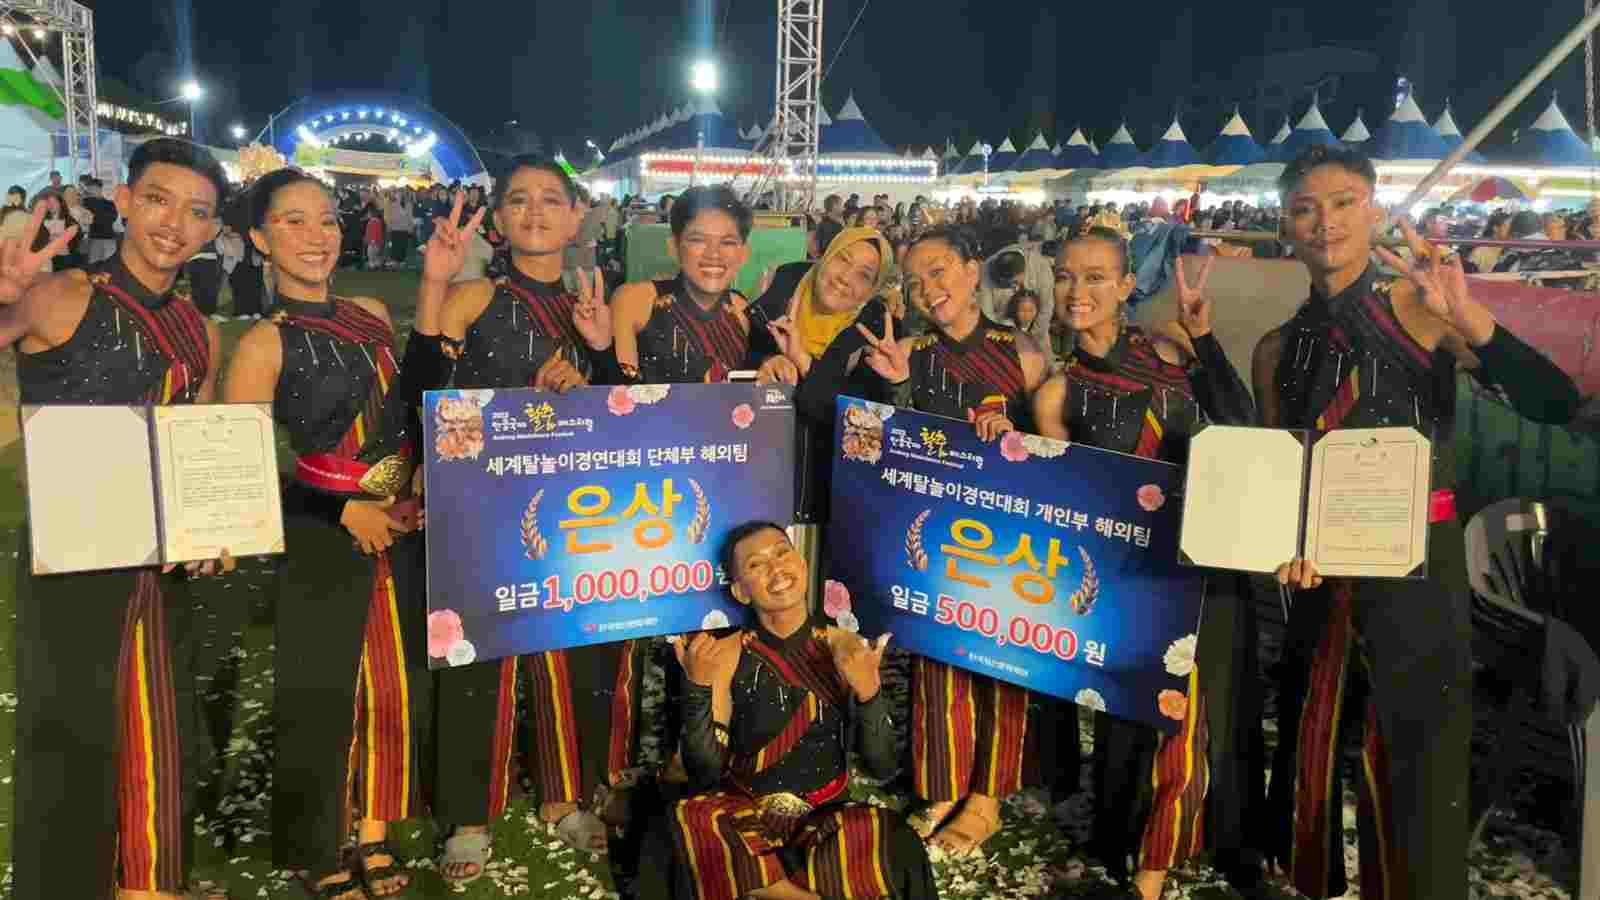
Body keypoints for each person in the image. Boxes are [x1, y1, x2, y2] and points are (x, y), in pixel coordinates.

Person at [1256, 146, 1580, 900]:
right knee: (1310, 737)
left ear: (1373, 210)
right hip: (1317, 574)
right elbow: (1279, 469)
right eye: (1306, 207)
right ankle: (1308, 881)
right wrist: (1283, 545)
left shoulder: (1418, 312)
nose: (1325, 221)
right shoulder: (1278, 347)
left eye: (1343, 203)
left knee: (1418, 759)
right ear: (1286, 225)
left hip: (1414, 571)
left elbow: (1555, 403)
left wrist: (1470, 316)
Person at [2, 137, 233, 900]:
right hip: (70, 557)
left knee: (163, 733)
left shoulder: (201, 327)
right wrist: (5, 298)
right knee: (68, 736)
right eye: (160, 200)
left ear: (213, 231)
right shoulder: (64, 295)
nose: (176, 223)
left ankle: (151, 882)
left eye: (198, 212)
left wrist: (211, 528)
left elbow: (196, 440)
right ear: (126, 202)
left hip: (160, 560)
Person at [798, 225, 1049, 856]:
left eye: (938, 272)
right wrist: (895, 387)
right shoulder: (905, 348)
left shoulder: (1024, 353)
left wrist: (1009, 430)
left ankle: (987, 797)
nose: (927, 289)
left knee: (1001, 660)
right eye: (914, 281)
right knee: (936, 658)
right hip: (931, 534)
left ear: (972, 270)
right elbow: (859, 431)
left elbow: (1053, 453)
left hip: (1005, 536)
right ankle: (942, 784)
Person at [1031, 230, 1261, 899]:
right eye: (1068, 276)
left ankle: (1215, 840)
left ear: (1128, 285)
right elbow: (1070, 501)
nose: (1080, 292)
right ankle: (1133, 843)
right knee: (1136, 711)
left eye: (1098, 277)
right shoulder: (1056, 392)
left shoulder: (1172, 349)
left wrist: (1207, 338)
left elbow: (1241, 420)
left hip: (1211, 549)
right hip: (1130, 567)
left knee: (1212, 706)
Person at [410, 156, 620, 886]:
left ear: (577, 216)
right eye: (519, 201)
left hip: (573, 514)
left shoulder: (596, 302)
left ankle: (566, 794)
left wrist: (591, 365)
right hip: (482, 507)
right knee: (478, 660)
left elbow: (630, 412)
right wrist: (435, 286)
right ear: (497, 220)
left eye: (552, 200)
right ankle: (469, 811)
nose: (536, 212)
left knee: (571, 656)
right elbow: (427, 392)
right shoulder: (472, 298)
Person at [223, 168, 425, 900]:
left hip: (400, 521)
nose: (317, 237)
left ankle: (375, 828)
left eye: (328, 220)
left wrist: (419, 482)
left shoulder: (371, 312)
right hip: (322, 530)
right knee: (321, 690)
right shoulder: (262, 344)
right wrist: (344, 512)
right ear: (258, 239)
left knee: (396, 685)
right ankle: (316, 843)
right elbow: (241, 469)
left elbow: (400, 411)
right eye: (293, 222)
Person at [644, 522, 937, 900]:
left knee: (878, 828)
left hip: (823, 824)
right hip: (743, 818)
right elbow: (705, 772)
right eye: (756, 565)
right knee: (694, 815)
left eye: (782, 553)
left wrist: (869, 691)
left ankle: (764, 888)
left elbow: (880, 766)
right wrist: (698, 690)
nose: (775, 568)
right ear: (739, 591)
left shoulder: (847, 647)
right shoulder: (726, 653)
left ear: (801, 563)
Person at [606, 184, 756, 384]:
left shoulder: (740, 309)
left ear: (743, 254)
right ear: (674, 248)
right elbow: (616, 396)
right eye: (698, 240)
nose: (713, 254)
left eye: (727, 242)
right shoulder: (635, 301)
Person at [82, 177, 122, 264]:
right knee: (93, 266)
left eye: (93, 188)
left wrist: (94, 217)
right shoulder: (86, 202)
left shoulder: (110, 203)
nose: (91, 190)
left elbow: (111, 219)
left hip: (109, 238)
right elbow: (85, 218)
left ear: (99, 188)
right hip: (93, 239)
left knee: (110, 265)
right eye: (90, 188)